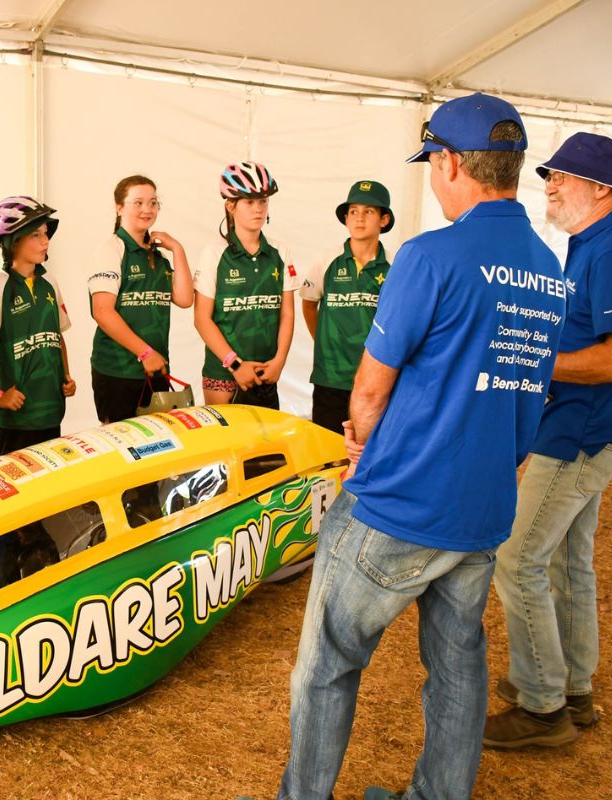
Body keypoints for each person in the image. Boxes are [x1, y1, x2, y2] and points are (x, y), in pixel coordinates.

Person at [263, 93, 566, 800]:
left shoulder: (430, 256)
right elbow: (528, 390)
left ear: (452, 161)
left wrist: (362, 447)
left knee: (327, 664)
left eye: (433, 162)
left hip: (399, 504)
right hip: (485, 504)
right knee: (458, 665)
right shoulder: (548, 273)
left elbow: (367, 392)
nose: (432, 176)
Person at [484, 132, 612, 749]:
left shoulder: (609, 248)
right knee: (566, 561)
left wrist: (533, 359)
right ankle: (573, 688)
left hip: (581, 435)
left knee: (517, 557)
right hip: (576, 427)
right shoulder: (585, 244)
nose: (549, 185)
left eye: (562, 176)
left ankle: (541, 706)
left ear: (600, 187)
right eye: (549, 176)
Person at [194, 161, 300, 409]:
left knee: (265, 446)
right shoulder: (214, 253)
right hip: (224, 373)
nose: (258, 209)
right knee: (226, 445)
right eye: (249, 202)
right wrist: (235, 364)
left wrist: (280, 361)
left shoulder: (280, 252)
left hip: (266, 371)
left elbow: (287, 313)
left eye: (263, 201)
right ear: (230, 205)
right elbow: (201, 318)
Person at [88, 175, 193, 423]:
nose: (147, 209)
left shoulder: (158, 256)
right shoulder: (111, 249)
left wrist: (177, 249)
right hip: (118, 370)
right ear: (119, 207)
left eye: (153, 202)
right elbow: (102, 312)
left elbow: (185, 298)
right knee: (120, 448)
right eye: (138, 202)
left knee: (155, 448)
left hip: (156, 369)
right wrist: (145, 353)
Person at [0, 196, 75, 457]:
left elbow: (57, 336)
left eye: (46, 233)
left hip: (51, 412)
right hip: (16, 420)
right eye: (35, 235)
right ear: (13, 243)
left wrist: (66, 377)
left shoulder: (50, 283)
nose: (45, 241)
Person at [302, 180, 394, 432]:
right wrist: (323, 341)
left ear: (384, 220)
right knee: (328, 451)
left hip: (375, 379)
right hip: (329, 377)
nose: (359, 219)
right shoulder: (326, 260)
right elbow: (309, 304)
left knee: (368, 452)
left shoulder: (396, 265)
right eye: (353, 211)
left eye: (369, 212)